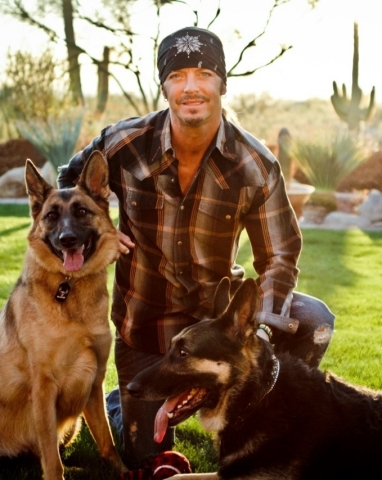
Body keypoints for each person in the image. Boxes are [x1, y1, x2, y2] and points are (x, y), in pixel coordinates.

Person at [57, 26, 335, 469]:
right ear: (163, 85)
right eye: (178, 74)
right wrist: (99, 229)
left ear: (222, 84)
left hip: (215, 318)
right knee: (145, 453)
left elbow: (279, 255)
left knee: (313, 319)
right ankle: (122, 403)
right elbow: (68, 185)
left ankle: (250, 410)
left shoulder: (255, 164)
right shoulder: (124, 143)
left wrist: (257, 330)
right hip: (146, 322)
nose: (191, 87)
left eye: (204, 73)